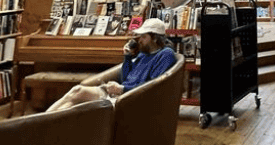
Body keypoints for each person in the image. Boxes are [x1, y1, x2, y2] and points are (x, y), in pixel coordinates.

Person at [45, 18, 177, 112]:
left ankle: (39, 127)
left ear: (155, 38)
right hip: (118, 94)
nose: (139, 40)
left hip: (129, 99)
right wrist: (127, 56)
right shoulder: (143, 52)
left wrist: (122, 90)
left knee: (76, 107)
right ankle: (39, 123)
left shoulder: (165, 55)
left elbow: (152, 87)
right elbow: (127, 79)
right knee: (76, 91)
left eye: (144, 37)